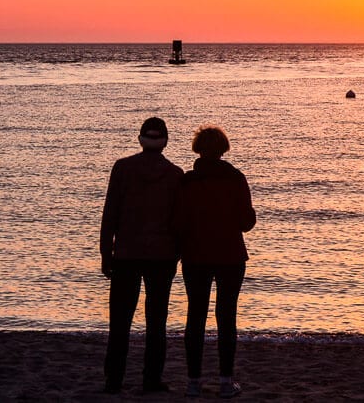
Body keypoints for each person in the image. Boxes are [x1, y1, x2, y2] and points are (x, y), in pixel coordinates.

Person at [99, 117, 183, 394]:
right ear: (166, 141)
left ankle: (113, 379)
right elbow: (178, 221)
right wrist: (178, 254)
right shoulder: (174, 174)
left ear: (140, 139)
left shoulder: (123, 168)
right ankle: (151, 379)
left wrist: (105, 252)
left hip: (126, 253)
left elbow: (110, 213)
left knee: (120, 320)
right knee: (156, 321)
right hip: (162, 255)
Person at [175, 126, 256, 399]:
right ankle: (225, 380)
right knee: (226, 316)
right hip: (230, 255)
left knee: (195, 317)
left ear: (198, 149)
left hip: (195, 256)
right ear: (223, 149)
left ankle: (193, 382)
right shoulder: (235, 178)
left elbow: (179, 222)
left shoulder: (187, 182)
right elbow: (247, 223)